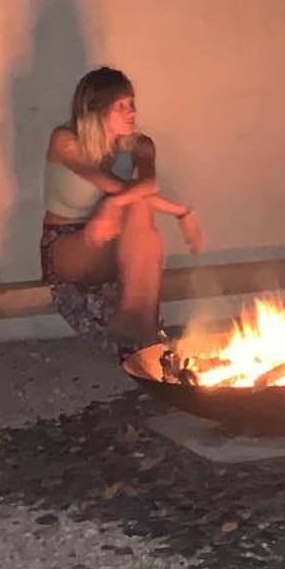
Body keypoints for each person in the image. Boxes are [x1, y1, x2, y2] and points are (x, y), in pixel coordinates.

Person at [41, 67, 204, 354]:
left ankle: (138, 327)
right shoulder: (66, 140)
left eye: (132, 104)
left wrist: (182, 212)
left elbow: (147, 185)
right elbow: (111, 185)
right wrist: (177, 212)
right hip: (70, 246)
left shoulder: (141, 145)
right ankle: (145, 333)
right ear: (97, 110)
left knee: (138, 206)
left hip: (116, 247)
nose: (132, 112)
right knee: (135, 202)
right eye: (121, 107)